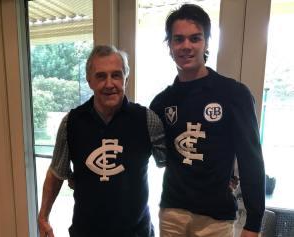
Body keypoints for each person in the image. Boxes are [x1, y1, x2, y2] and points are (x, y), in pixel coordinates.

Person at [150, 4, 265, 237]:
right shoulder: (161, 103)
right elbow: (153, 155)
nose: (186, 46)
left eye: (195, 38)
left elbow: (251, 159)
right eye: (178, 39)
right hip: (172, 213)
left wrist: (254, 222)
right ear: (170, 46)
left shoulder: (234, 94)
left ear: (206, 42)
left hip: (216, 218)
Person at [38, 45, 166, 237]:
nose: (109, 83)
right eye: (100, 76)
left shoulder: (147, 120)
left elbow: (173, 164)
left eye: (116, 75)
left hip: (136, 233)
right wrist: (43, 216)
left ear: (125, 78)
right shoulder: (70, 123)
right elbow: (57, 173)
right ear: (89, 80)